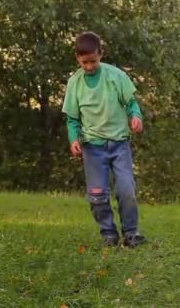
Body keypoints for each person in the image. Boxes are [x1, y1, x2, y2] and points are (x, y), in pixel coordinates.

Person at [62, 31, 147, 248]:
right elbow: (73, 118)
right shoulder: (75, 83)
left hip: (119, 144)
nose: (89, 66)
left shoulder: (115, 76)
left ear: (101, 54)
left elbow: (131, 103)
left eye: (93, 61)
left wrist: (135, 116)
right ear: (78, 59)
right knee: (97, 195)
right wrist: (74, 139)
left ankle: (131, 232)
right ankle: (109, 234)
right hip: (92, 147)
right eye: (84, 62)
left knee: (126, 190)